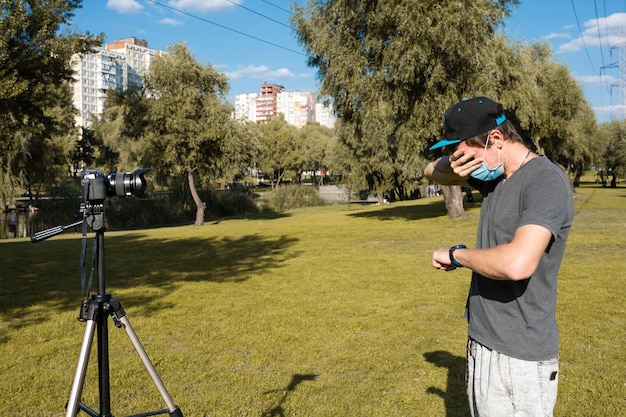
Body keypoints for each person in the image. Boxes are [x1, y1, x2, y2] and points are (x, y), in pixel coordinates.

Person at [424, 97, 574, 417]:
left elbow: (517, 264)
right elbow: (431, 172)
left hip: (519, 358)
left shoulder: (544, 181)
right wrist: (454, 163)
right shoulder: (495, 176)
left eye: (466, 152)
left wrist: (457, 255)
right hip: (483, 342)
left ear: (495, 139)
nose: (464, 161)